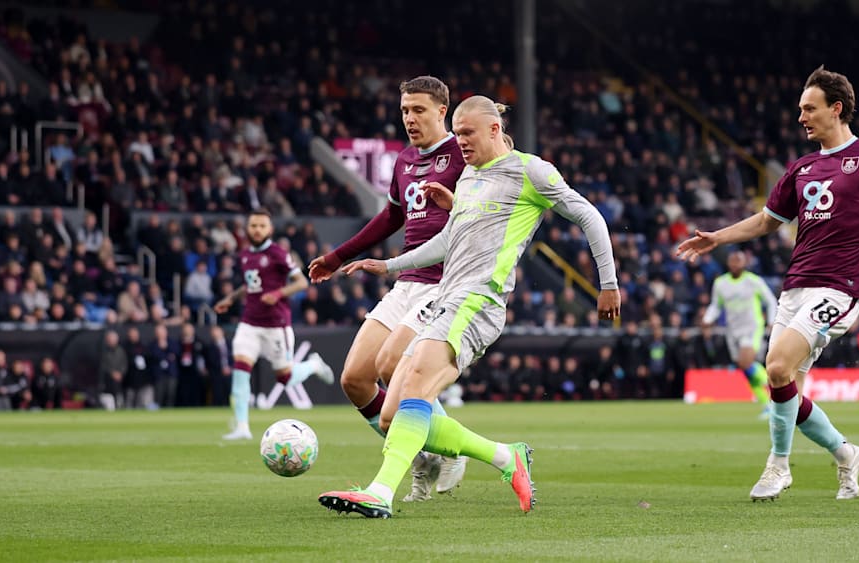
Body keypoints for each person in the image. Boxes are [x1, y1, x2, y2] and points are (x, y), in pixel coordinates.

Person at [317, 95, 621, 519]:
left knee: (415, 388)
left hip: (479, 300)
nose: (459, 141)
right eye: (457, 134)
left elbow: (590, 217)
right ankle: (505, 456)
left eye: (467, 133)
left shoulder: (530, 171)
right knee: (390, 416)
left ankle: (380, 493)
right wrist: (389, 266)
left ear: (495, 130)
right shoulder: (469, 177)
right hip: (445, 299)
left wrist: (608, 284)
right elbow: (448, 240)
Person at [676, 66, 859, 502]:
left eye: (809, 109)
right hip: (795, 287)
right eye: (800, 109)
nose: (801, 118)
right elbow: (767, 222)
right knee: (787, 392)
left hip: (841, 287)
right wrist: (718, 237)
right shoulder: (802, 168)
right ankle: (847, 454)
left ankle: (778, 467)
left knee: (776, 366)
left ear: (836, 108)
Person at [307, 76, 468, 500]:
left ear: (442, 111)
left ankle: (451, 445)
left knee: (391, 363)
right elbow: (390, 218)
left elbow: (483, 213)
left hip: (444, 283)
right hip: (406, 281)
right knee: (355, 379)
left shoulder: (462, 154)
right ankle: (424, 458)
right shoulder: (404, 160)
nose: (409, 118)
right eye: (404, 111)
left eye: (418, 110)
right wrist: (337, 256)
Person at [213, 208, 333, 440]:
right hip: (249, 323)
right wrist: (231, 298)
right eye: (253, 225)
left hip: (276, 325)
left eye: (262, 226)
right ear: (247, 229)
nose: (257, 230)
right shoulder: (245, 255)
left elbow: (301, 282)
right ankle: (242, 427)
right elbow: (251, 285)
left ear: (270, 229)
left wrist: (278, 293)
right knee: (240, 370)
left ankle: (313, 365)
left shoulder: (278, 253)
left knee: (285, 378)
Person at [701, 250, 777, 418]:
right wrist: (707, 319)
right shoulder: (720, 283)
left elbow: (770, 301)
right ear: (728, 263)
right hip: (732, 330)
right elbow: (716, 305)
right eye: (733, 261)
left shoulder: (753, 281)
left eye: (738, 261)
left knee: (745, 362)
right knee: (744, 368)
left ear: (744, 263)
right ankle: (767, 404)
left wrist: (771, 321)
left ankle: (779, 386)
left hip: (751, 327)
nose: (735, 264)